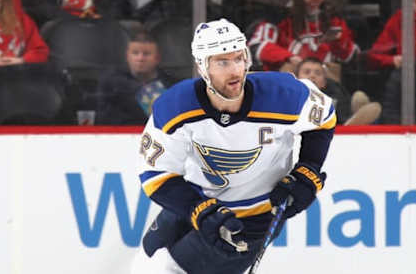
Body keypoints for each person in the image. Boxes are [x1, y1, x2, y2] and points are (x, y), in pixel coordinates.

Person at [133, 18, 336, 273]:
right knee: (143, 265)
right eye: (223, 62)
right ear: (202, 66)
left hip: (254, 216)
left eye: (239, 58)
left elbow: (325, 117)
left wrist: (307, 169)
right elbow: (155, 175)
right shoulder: (175, 106)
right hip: (198, 202)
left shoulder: (285, 94)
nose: (236, 70)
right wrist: (197, 209)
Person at [247, 0, 358, 76]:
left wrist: (339, 42)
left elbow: (351, 56)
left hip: (325, 84)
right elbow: (257, 46)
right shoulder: (281, 17)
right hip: (290, 80)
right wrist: (290, 57)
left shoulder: (334, 19)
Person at [97, 24, 177, 125]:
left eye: (146, 54)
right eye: (135, 53)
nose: (140, 58)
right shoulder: (111, 84)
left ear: (157, 58)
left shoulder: (171, 86)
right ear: (127, 56)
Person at [296, 57, 381, 125]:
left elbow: (342, 118)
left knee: (366, 102)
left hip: (335, 134)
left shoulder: (334, 97)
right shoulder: (287, 97)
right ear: (296, 78)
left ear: (324, 82)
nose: (312, 76)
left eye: (318, 73)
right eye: (307, 72)